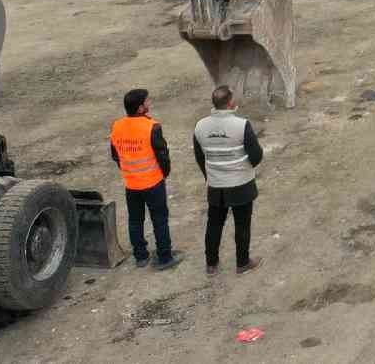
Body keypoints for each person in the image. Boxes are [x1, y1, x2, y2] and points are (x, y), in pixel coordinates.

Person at [193, 85, 265, 276]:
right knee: (242, 224)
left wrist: (210, 175)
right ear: (231, 102)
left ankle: (211, 264)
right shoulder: (241, 125)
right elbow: (256, 155)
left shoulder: (200, 126)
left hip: (216, 185)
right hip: (241, 184)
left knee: (214, 223)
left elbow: (200, 157)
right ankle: (242, 262)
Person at [109, 87, 181, 270]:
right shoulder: (152, 127)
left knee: (135, 219)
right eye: (147, 101)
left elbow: (115, 155)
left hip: (131, 184)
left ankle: (140, 256)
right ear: (140, 108)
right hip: (152, 183)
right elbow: (162, 155)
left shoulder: (117, 126)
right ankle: (165, 257)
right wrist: (164, 173)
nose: (150, 103)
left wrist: (128, 170)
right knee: (159, 219)